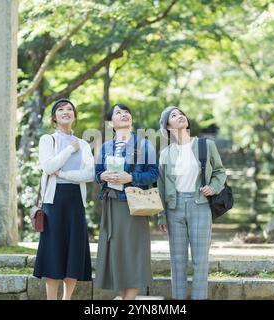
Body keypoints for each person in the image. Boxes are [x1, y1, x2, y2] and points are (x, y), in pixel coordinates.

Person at [157, 106, 227, 300]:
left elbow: (220, 172)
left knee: (200, 261)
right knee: (177, 263)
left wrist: (213, 187)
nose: (180, 116)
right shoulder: (165, 154)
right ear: (168, 126)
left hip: (200, 206)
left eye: (181, 114)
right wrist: (161, 215)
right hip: (174, 209)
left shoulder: (205, 145)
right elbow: (161, 187)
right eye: (173, 115)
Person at [94, 103, 159, 300]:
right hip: (111, 205)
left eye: (126, 112)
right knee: (117, 254)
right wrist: (103, 175)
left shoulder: (144, 144)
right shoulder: (104, 147)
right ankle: (123, 297)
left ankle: (128, 300)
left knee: (134, 254)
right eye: (118, 113)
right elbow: (96, 174)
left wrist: (130, 178)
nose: (124, 115)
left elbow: (154, 174)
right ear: (110, 122)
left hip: (134, 206)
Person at [33, 98, 95, 300]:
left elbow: (90, 174)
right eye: (61, 109)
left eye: (70, 109)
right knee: (53, 252)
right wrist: (69, 149)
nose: (66, 112)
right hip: (53, 202)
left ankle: (66, 299)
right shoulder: (47, 140)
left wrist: (66, 175)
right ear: (54, 117)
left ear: (74, 115)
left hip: (75, 202)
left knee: (74, 252)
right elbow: (49, 167)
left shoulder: (84, 144)